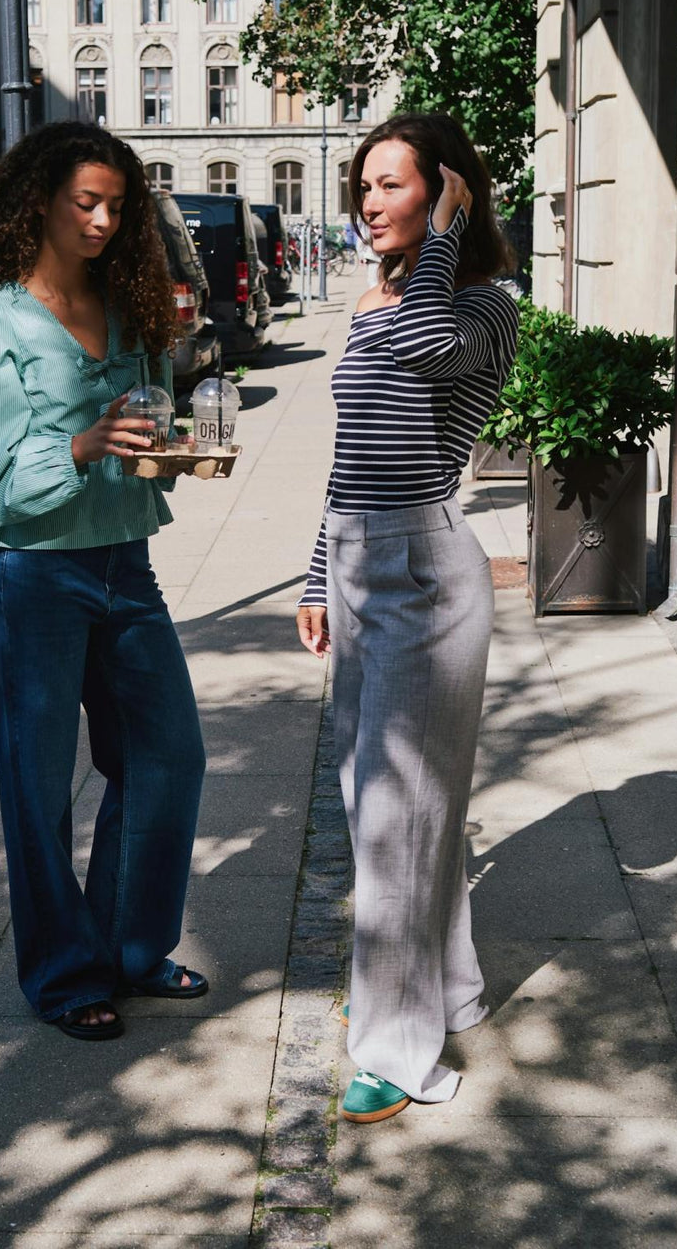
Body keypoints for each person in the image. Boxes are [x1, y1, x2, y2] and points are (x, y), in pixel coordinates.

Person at [0, 121, 207, 1042]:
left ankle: (132, 951)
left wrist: (168, 451)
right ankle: (65, 975)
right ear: (38, 204)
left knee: (169, 756)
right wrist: (82, 444)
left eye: (116, 208)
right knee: (38, 784)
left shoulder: (127, 309)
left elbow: (145, 436)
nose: (101, 222)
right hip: (34, 580)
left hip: (125, 567)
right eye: (84, 203)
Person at [295, 113, 519, 1121]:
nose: (371, 203)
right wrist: (313, 575)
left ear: (450, 197)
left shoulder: (484, 306)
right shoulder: (375, 301)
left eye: (395, 185)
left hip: (424, 574)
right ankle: (449, 990)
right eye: (366, 188)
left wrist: (445, 246)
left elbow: (431, 353)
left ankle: (397, 1047)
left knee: (399, 821)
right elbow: (351, 453)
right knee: (386, 811)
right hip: (357, 561)